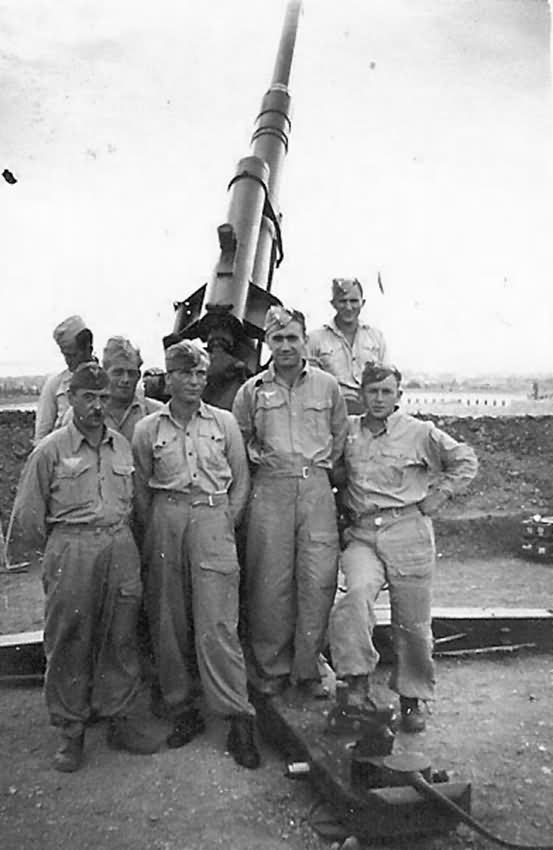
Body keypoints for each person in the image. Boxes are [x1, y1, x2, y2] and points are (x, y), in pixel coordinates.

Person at [13, 362, 160, 772]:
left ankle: (119, 719)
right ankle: (71, 731)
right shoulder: (51, 450)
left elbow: (135, 502)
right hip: (72, 547)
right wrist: (61, 554)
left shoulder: (122, 446)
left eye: (103, 398)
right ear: (72, 398)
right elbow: (27, 517)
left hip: (119, 543)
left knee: (122, 636)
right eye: (88, 397)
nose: (97, 406)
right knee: (69, 639)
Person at [328, 362, 478, 732]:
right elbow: (333, 471)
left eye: (386, 392)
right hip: (363, 534)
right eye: (372, 392)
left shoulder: (420, 433)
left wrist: (439, 495)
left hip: (408, 530)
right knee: (354, 597)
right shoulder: (348, 432)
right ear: (361, 394)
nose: (378, 399)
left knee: (411, 622)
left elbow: (465, 460)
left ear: (398, 396)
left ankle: (412, 699)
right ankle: (357, 684)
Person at [131, 339, 260, 769]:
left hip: (212, 518)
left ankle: (237, 715)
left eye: (201, 373)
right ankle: (181, 708)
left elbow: (240, 483)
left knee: (218, 622)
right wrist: (161, 528)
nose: (193, 381)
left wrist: (224, 521)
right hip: (166, 519)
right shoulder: (149, 429)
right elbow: (141, 489)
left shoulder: (224, 424)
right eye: (185, 373)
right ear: (168, 378)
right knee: (168, 619)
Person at [232, 305, 348, 698]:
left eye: (292, 338)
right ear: (267, 343)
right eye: (277, 338)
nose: (285, 346)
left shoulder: (327, 387)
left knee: (318, 579)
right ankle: (271, 669)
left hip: (315, 487)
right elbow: (240, 440)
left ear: (304, 340)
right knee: (270, 583)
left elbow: (340, 436)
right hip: (270, 490)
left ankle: (308, 668)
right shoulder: (251, 391)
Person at [307, 277, 389, 414]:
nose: (348, 307)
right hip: (329, 412)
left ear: (363, 303)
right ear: (333, 304)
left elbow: (385, 377)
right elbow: (307, 383)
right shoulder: (315, 339)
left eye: (354, 301)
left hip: (368, 412)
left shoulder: (376, 337)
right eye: (342, 301)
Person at [61, 336, 163, 442]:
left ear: (138, 376)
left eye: (131, 373)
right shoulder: (78, 414)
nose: (125, 379)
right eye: (118, 372)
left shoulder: (156, 414)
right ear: (104, 373)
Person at [34, 315, 95, 443]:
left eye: (73, 355)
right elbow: (41, 435)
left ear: (88, 348)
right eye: (65, 355)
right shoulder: (55, 385)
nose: (68, 361)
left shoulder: (107, 382)